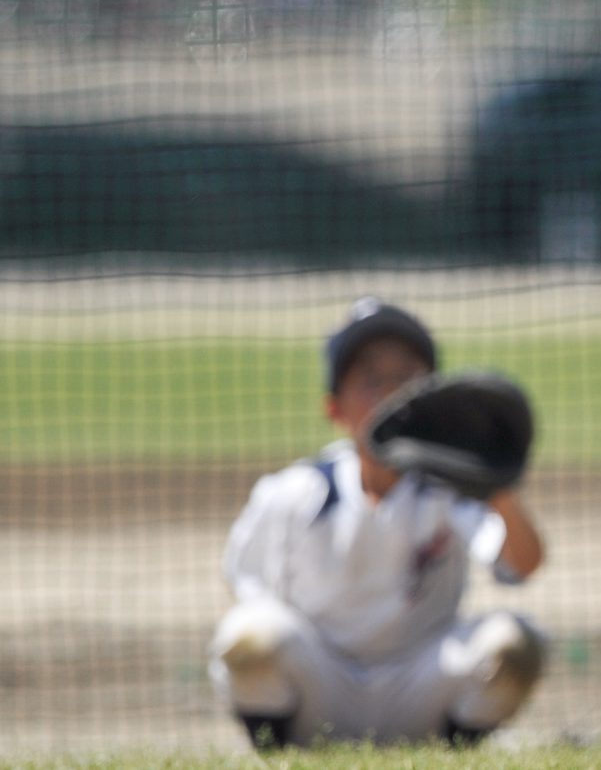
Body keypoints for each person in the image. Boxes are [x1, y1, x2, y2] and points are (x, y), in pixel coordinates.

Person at [208, 298, 547, 749]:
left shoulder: (450, 489)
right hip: (320, 689)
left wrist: (498, 486)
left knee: (513, 643)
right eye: (371, 380)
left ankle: (455, 754)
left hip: (421, 685)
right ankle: (280, 754)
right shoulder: (292, 491)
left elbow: (523, 565)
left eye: (408, 379)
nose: (391, 393)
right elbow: (245, 584)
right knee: (248, 634)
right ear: (335, 409)